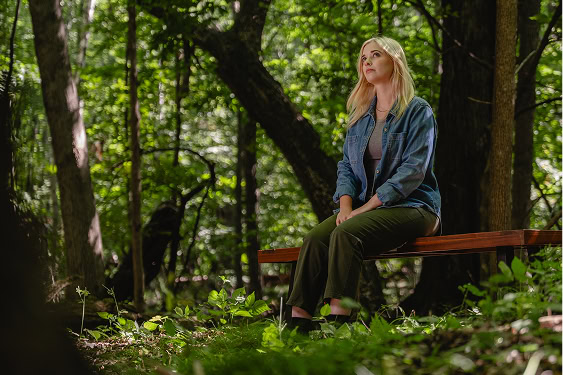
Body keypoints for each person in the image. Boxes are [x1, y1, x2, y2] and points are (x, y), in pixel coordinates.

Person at [286, 36, 441, 333]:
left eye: (375, 55)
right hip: (366, 210)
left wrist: (363, 210)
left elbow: (413, 171)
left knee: (346, 233)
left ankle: (339, 328)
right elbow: (346, 167)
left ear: (394, 61)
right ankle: (297, 328)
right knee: (315, 238)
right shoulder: (361, 117)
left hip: (415, 206)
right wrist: (346, 206)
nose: (366, 61)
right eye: (363, 57)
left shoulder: (418, 111)